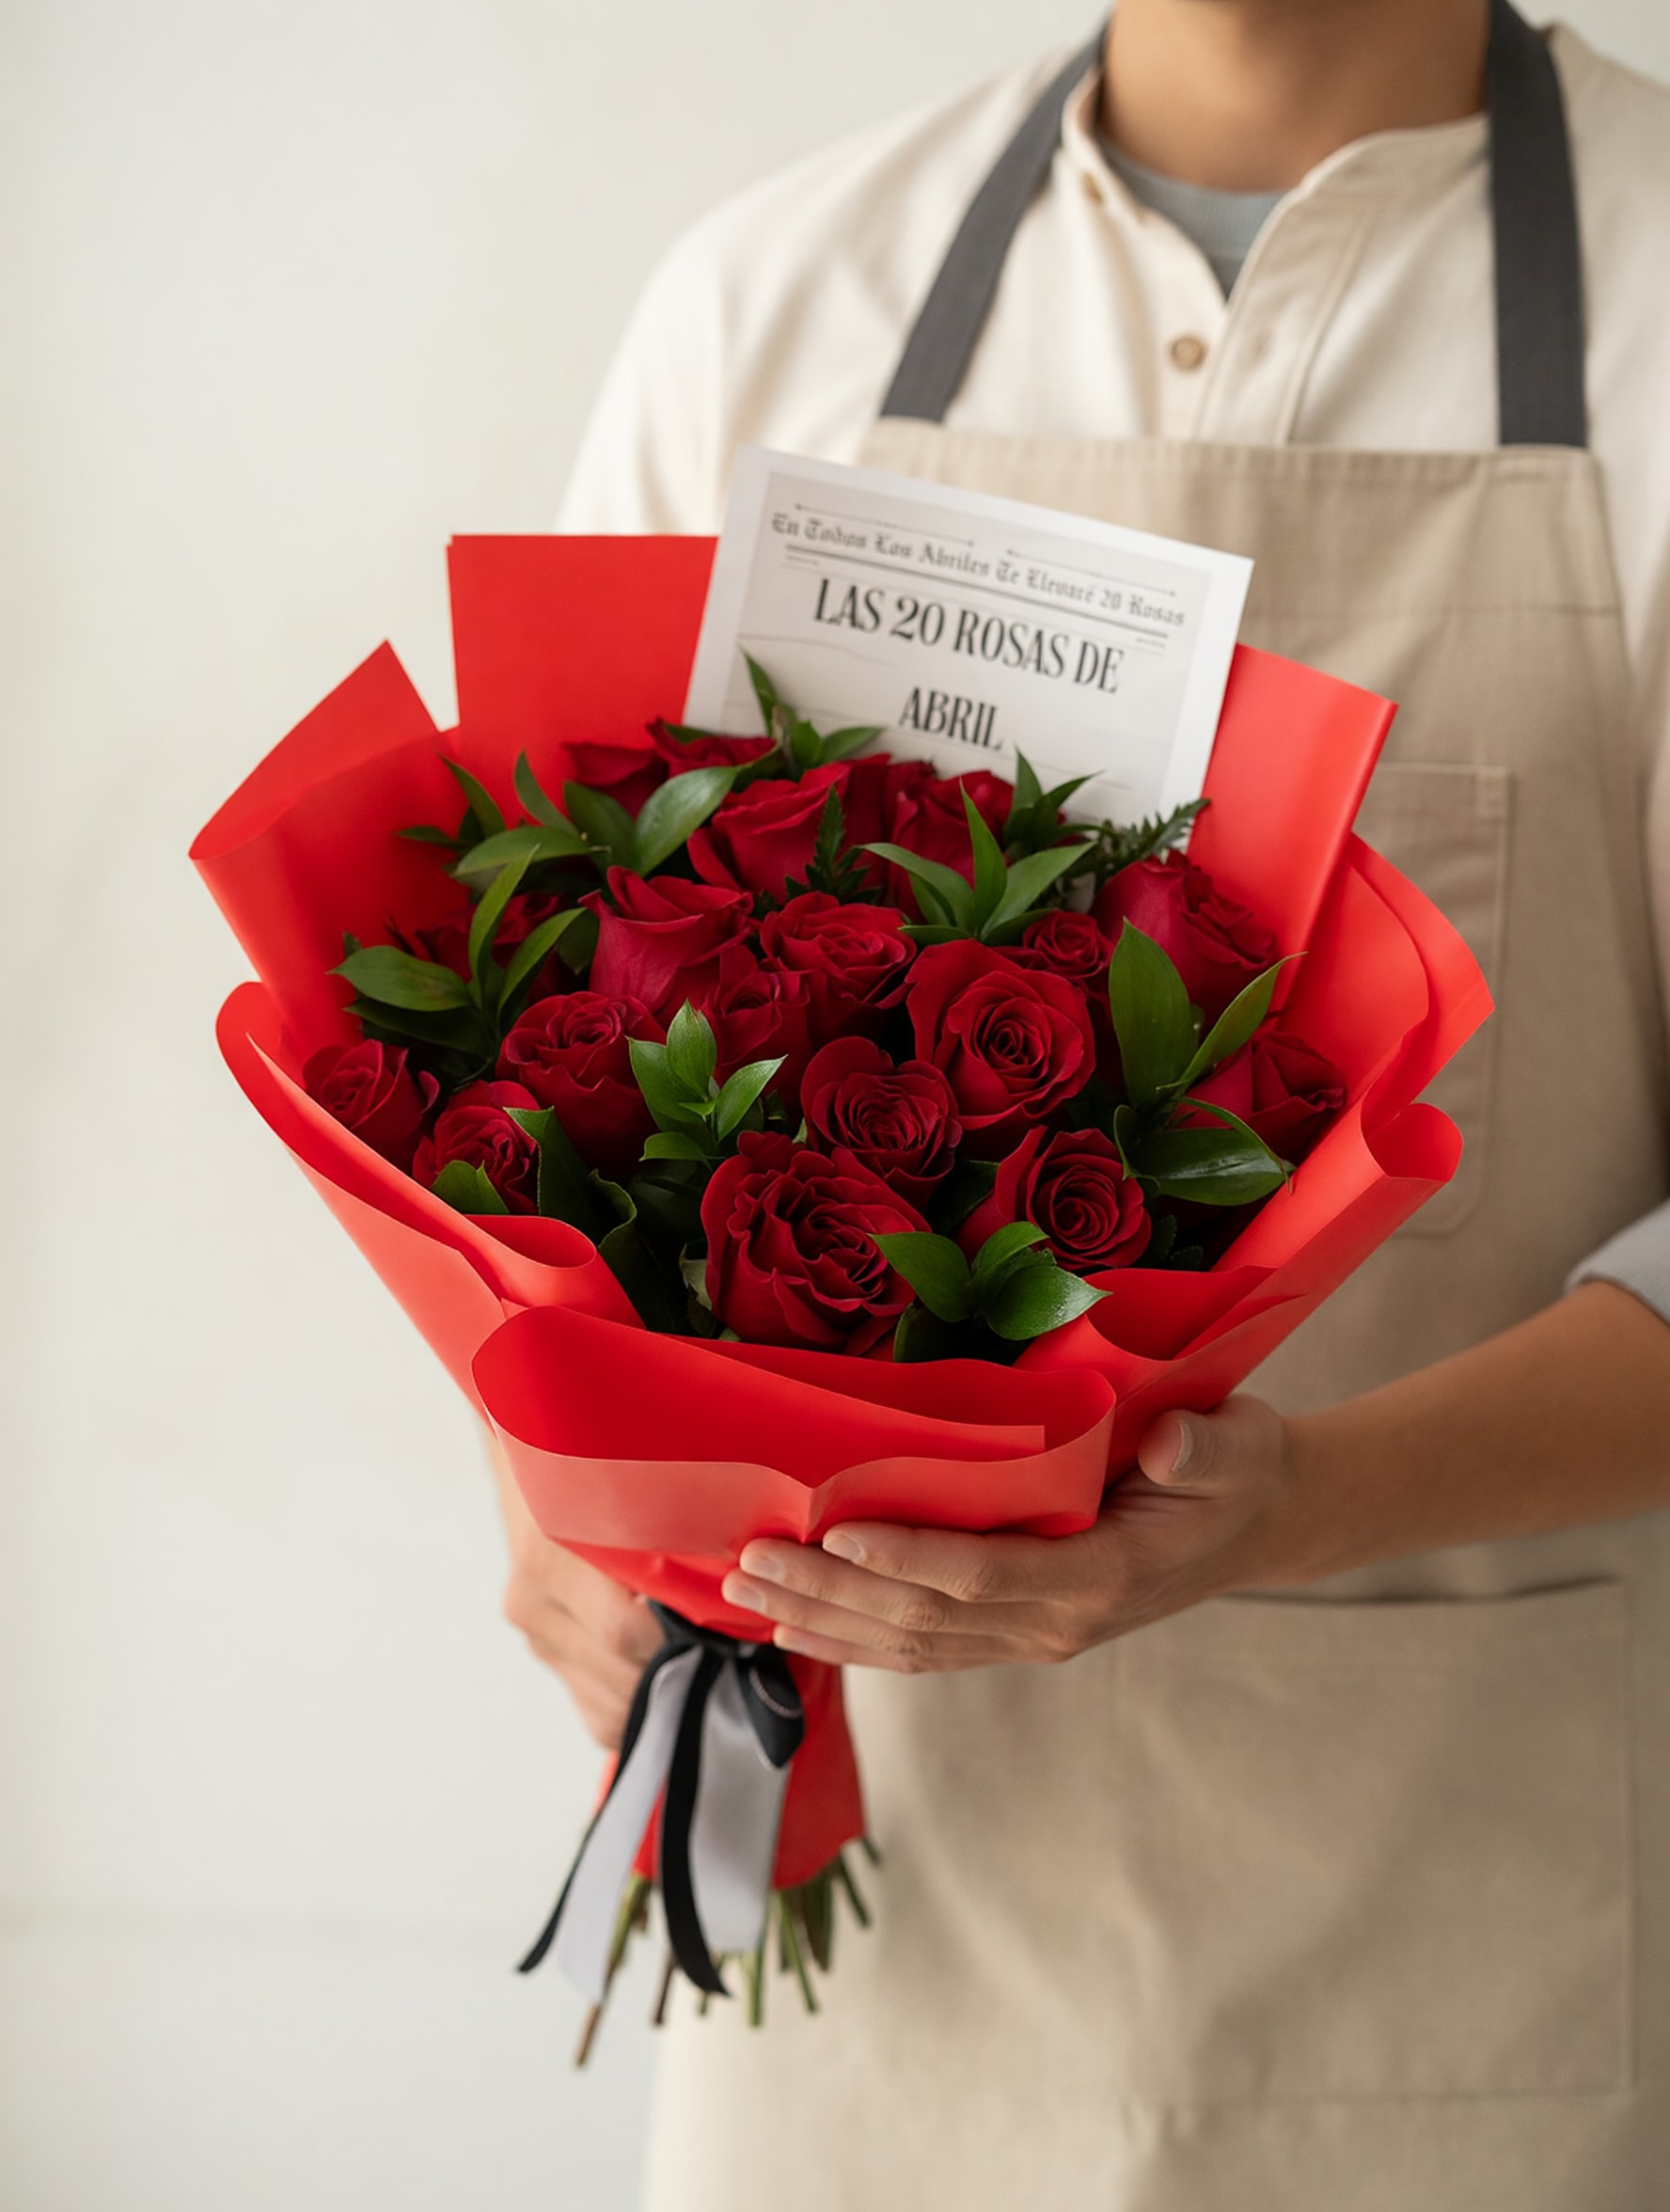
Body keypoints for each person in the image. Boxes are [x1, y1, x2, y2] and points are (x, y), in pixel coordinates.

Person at [496, 2, 1670, 2203]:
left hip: (1462, 1920)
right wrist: (544, 1494)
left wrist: (1303, 1497)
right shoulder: (772, 304)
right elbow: (535, 1050)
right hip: (859, 1944)